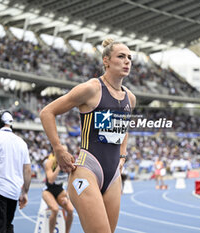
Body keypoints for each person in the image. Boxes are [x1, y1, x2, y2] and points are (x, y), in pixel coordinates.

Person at [40, 38, 136, 233]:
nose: (127, 61)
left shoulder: (130, 98)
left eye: (129, 57)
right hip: (87, 170)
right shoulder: (91, 89)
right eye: (121, 56)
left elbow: (124, 128)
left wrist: (123, 154)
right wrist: (58, 149)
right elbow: (46, 113)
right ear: (106, 61)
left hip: (113, 176)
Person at [42, 148, 74, 233]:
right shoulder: (50, 162)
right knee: (55, 210)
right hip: (48, 191)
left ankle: (67, 232)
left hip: (60, 190)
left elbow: (70, 183)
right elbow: (50, 180)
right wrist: (59, 167)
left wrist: (67, 197)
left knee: (70, 210)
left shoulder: (68, 164)